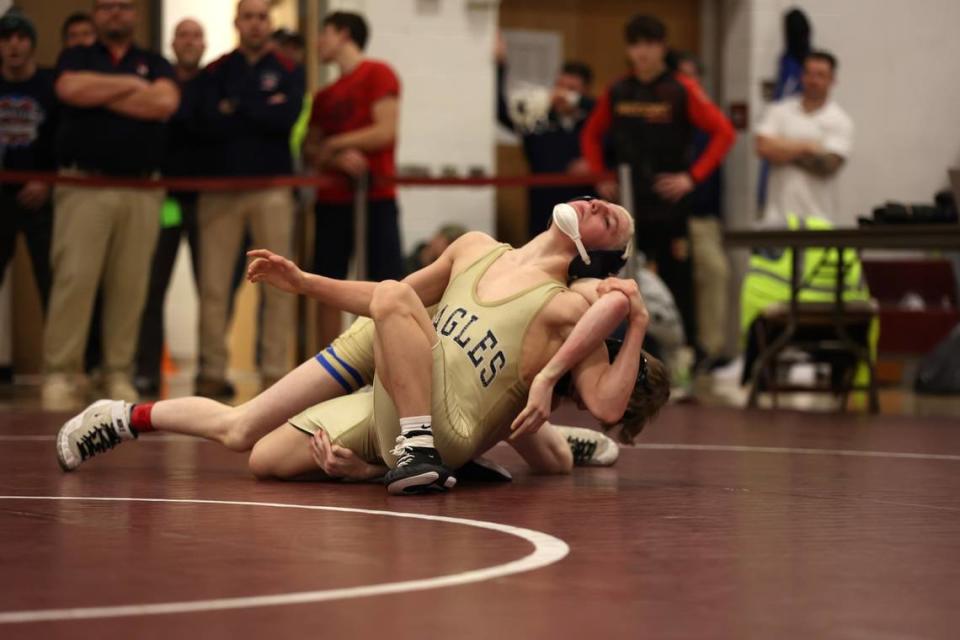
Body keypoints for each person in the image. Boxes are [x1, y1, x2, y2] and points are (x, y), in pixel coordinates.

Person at [56, 199, 667, 494]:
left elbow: (619, 306)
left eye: (609, 217)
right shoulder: (476, 246)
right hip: (395, 357)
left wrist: (549, 374)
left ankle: (421, 452)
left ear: (596, 255)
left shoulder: (575, 299)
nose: (598, 202)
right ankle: (121, 417)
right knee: (255, 447)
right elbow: (390, 297)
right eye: (602, 199)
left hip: (440, 406)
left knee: (394, 299)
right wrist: (303, 283)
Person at [41, 0, 178, 411]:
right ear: (96, 15)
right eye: (106, 7)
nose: (114, 14)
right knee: (75, 280)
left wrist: (103, 92)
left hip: (142, 190)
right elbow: (71, 89)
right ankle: (62, 374)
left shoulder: (154, 62)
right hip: (85, 187)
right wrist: (134, 88)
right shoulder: (75, 55)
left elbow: (164, 103)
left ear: (133, 14)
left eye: (122, 7)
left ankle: (117, 371)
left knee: (130, 285)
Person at [581, 14, 735, 354]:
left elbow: (724, 132)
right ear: (629, 49)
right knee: (622, 282)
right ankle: (623, 352)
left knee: (678, 283)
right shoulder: (618, 90)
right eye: (636, 45)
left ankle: (685, 356)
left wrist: (691, 177)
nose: (643, 53)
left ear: (662, 48)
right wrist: (601, 174)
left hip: (669, 207)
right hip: (628, 207)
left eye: (650, 44)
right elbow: (591, 134)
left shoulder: (681, 89)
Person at [194, 0, 305, 399]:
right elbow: (207, 122)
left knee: (279, 284)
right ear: (237, 23)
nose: (256, 24)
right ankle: (210, 370)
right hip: (220, 192)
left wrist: (236, 109)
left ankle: (274, 373)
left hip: (272, 189)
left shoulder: (290, 69)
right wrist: (259, 111)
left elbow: (285, 118)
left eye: (262, 18)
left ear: (268, 23)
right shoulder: (216, 70)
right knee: (214, 285)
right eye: (248, 17)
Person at [304, 11, 404, 350]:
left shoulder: (378, 73)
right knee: (326, 285)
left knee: (384, 283)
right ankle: (328, 366)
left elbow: (385, 131)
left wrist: (336, 143)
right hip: (332, 199)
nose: (319, 42)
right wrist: (333, 156)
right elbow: (310, 149)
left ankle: (382, 359)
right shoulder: (324, 96)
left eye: (325, 33)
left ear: (344, 34)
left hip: (374, 195)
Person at [133, 18, 207, 395]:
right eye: (183, 35)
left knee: (211, 290)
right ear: (173, 43)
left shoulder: (213, 82)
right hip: (166, 201)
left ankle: (209, 371)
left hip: (208, 203)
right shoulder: (159, 81)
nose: (189, 42)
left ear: (204, 43)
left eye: (196, 35)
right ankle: (146, 369)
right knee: (152, 285)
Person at [496, 34, 596, 237]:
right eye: (559, 86)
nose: (562, 94)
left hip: (584, 213)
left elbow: (609, 111)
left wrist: (594, 164)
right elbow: (501, 112)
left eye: (572, 89)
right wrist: (500, 66)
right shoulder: (538, 119)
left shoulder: (594, 123)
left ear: (584, 92)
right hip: (543, 212)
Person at [675, 52, 731, 368]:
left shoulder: (707, 119)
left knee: (715, 273)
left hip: (702, 216)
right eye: (683, 77)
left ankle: (709, 350)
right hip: (670, 217)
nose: (689, 84)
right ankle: (677, 349)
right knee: (674, 283)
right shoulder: (662, 118)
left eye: (694, 77)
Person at [0, 10, 57, 313]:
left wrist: (47, 180)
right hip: (1, 194)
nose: (14, 46)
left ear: (31, 44)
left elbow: (64, 141)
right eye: (6, 38)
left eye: (21, 38)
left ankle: (58, 360)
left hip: (42, 197)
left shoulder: (50, 85)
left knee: (51, 281)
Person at [755, 50, 853, 226]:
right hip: (777, 218)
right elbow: (762, 148)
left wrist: (781, 150)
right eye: (809, 73)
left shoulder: (840, 120)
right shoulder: (779, 111)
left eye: (820, 75)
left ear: (832, 80)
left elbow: (828, 165)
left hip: (817, 218)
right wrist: (807, 146)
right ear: (801, 76)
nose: (813, 80)